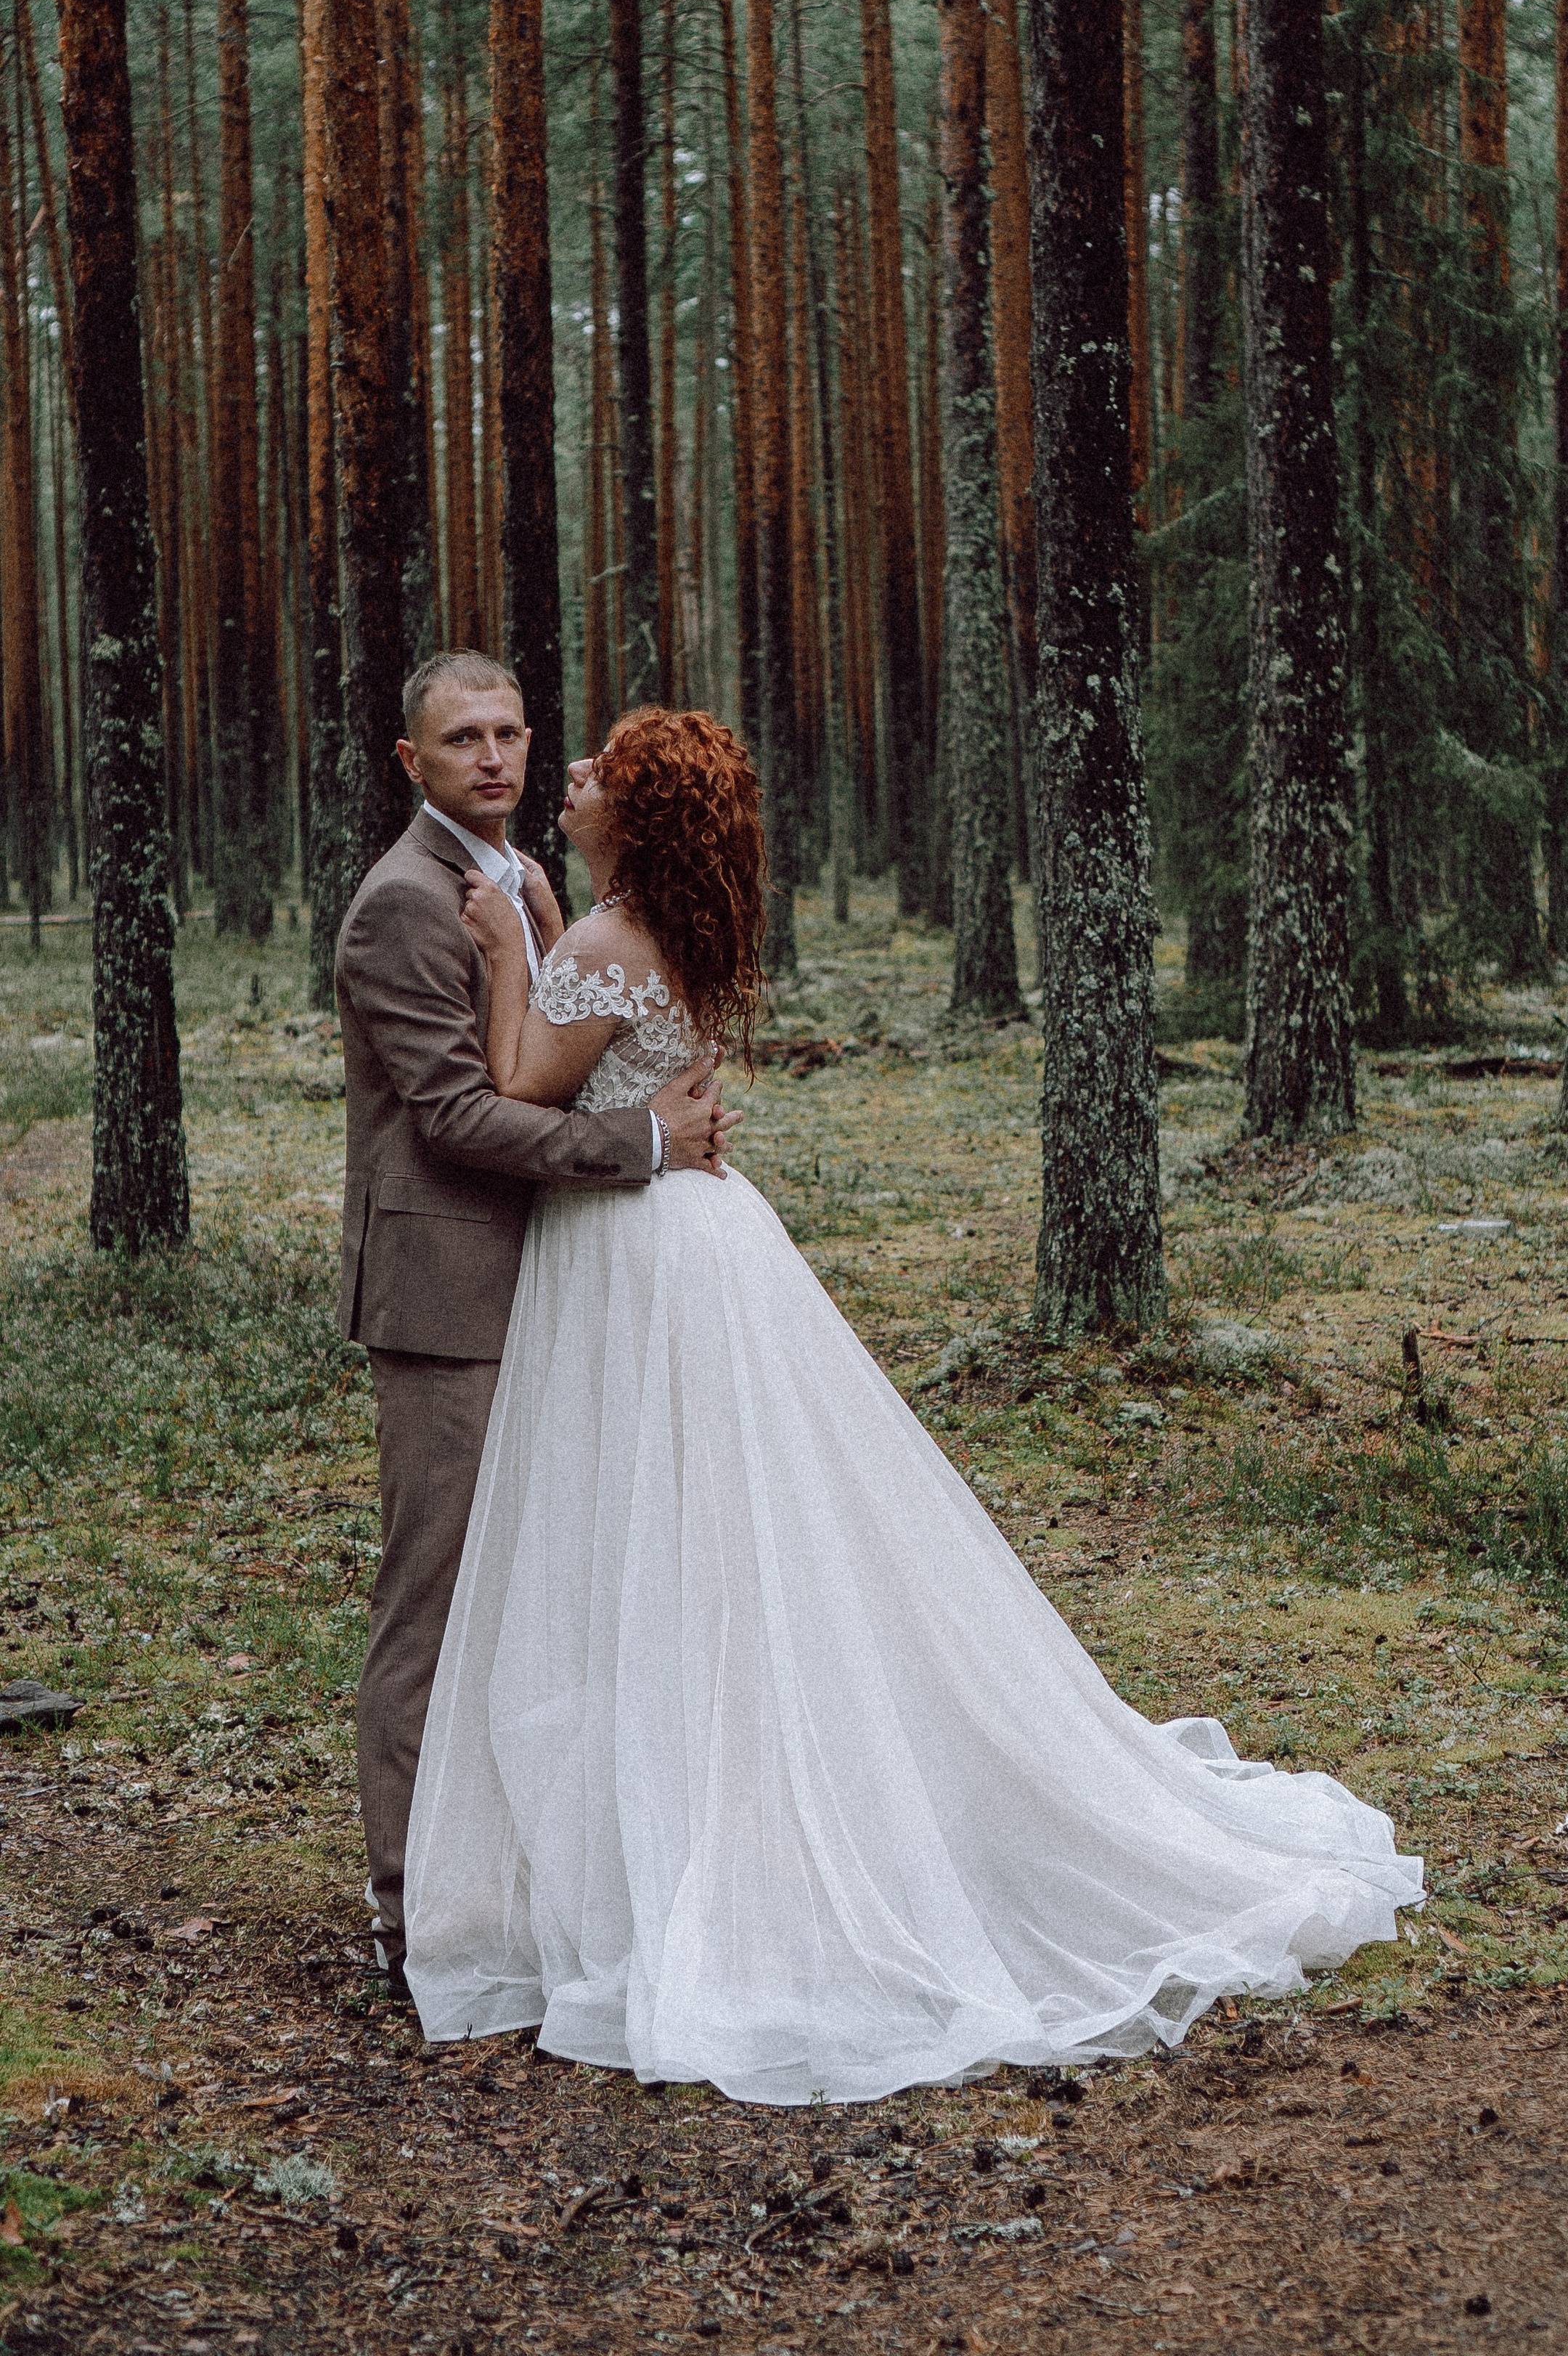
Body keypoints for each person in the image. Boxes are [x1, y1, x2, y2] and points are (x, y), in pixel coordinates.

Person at [402, 706, 1421, 2104]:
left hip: (635, 1254)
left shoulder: (592, 942)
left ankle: (703, 1843)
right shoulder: (658, 926)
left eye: (591, 773)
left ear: (631, 816)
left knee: (661, 1540)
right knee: (716, 1541)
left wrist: (512, 946)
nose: (563, 779)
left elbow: (521, 1083)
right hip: (695, 1240)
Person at [333, 652, 740, 1994]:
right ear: (413, 761)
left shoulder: (528, 887)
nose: (497, 759)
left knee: (556, 1599)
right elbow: (455, 1113)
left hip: (573, 1287)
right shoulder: (403, 903)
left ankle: (532, 1880)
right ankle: (412, 1914)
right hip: (452, 1300)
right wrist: (641, 1139)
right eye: (463, 739)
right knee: (439, 1602)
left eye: (512, 733)